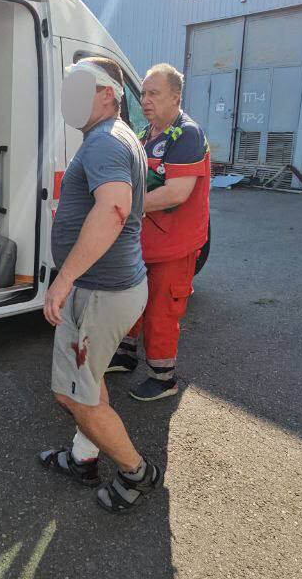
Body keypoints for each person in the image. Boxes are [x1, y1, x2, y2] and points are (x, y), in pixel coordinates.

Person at [37, 56, 161, 514]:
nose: (68, 95)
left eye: (79, 86)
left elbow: (112, 210)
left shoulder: (105, 142)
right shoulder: (114, 138)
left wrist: (64, 279)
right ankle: (83, 458)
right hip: (112, 288)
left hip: (99, 293)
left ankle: (137, 472)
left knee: (71, 394)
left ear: (107, 92)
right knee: (88, 383)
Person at [107, 64, 211, 401]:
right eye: (145, 93)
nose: (146, 100)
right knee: (133, 303)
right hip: (143, 244)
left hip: (173, 247)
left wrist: (125, 208)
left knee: (161, 311)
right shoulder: (146, 134)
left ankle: (163, 377)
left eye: (154, 94)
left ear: (176, 97)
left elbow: (176, 193)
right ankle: (125, 355)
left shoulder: (187, 135)